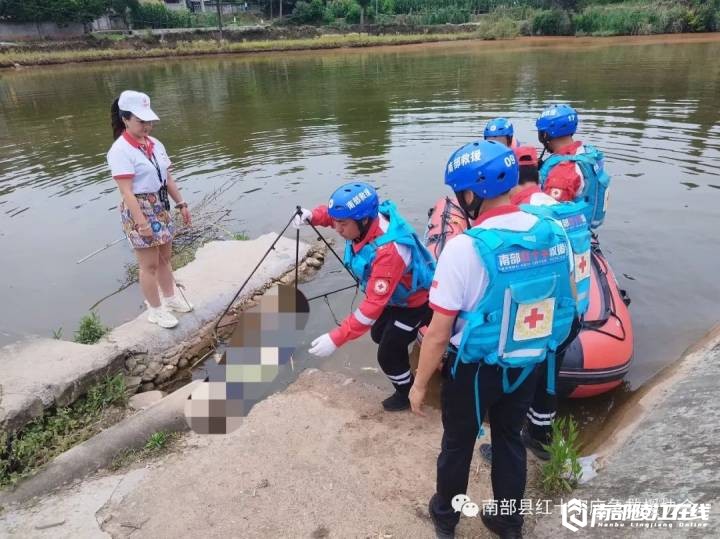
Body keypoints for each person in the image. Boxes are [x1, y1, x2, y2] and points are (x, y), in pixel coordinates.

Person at [409, 140, 576, 539]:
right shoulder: (554, 232)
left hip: (475, 370)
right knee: (509, 440)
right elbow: (569, 295)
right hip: (529, 362)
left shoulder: (465, 249)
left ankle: (446, 520)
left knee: (458, 443)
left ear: (470, 194)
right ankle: (508, 522)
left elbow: (437, 333)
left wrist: (419, 385)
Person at [477, 144, 591, 463]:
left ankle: (531, 440)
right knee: (546, 374)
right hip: (573, 309)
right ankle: (540, 433)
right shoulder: (560, 207)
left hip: (544, 314)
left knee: (525, 380)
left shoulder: (526, 217)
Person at [294, 183, 435, 411]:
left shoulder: (389, 251)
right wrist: (313, 216)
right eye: (337, 222)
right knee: (379, 334)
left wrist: (336, 338)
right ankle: (412, 348)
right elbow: (333, 217)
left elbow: (371, 308)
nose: (337, 229)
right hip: (394, 298)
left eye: (343, 224)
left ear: (363, 220)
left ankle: (406, 393)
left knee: (387, 353)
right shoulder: (362, 223)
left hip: (415, 304)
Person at [107, 90, 193, 329]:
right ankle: (155, 310)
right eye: (141, 121)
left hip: (160, 203)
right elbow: (127, 192)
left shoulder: (155, 144)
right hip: (138, 207)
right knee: (149, 264)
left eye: (149, 121)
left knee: (165, 257)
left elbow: (167, 177)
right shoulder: (120, 151)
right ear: (125, 118)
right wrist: (142, 223)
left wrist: (181, 203)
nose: (147, 126)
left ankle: (171, 299)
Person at [536, 104, 611, 229]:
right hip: (585, 228)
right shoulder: (586, 154)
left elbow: (550, 216)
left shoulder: (562, 172)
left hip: (568, 235)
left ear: (545, 135)